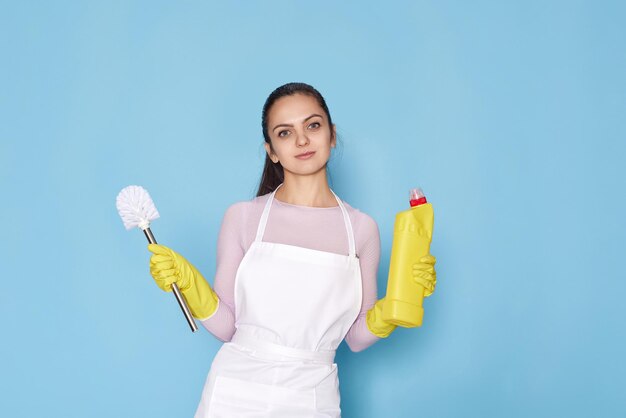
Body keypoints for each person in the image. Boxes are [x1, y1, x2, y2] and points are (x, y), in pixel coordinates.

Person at [147, 82, 437, 418]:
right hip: (234, 390)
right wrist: (189, 283)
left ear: (331, 134)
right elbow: (227, 327)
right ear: (271, 150)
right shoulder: (243, 217)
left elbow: (356, 338)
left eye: (313, 126)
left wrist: (393, 308)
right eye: (285, 133)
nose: (301, 140)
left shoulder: (361, 229)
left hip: (312, 395)